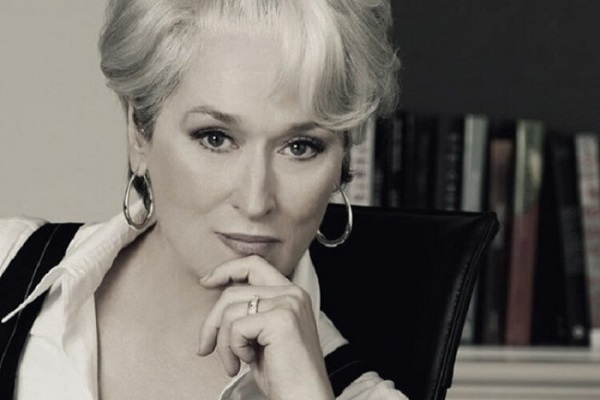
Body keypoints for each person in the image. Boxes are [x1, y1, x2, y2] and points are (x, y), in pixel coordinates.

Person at [0, 0, 403, 399]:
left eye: (300, 147)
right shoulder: (6, 261)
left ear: (342, 160)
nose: (255, 201)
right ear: (139, 132)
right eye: (215, 138)